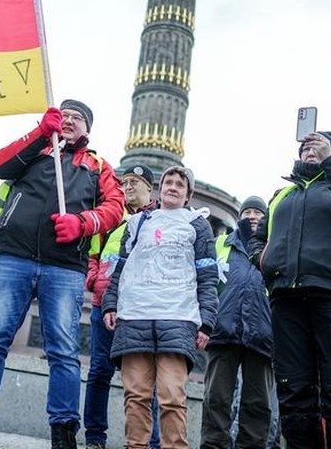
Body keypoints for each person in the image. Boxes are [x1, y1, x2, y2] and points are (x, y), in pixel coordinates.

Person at [0, 100, 125, 449]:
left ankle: (63, 436)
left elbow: (115, 207)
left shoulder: (98, 165)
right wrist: (40, 132)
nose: (69, 120)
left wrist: (82, 223)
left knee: (64, 352)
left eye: (78, 118)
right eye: (64, 114)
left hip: (65, 266)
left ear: (88, 130)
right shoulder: (34, 148)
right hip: (14, 256)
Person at [248, 131, 331, 448]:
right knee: (293, 394)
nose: (311, 150)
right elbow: (258, 237)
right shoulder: (282, 195)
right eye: (306, 147)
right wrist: (261, 259)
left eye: (319, 146)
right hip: (286, 300)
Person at [103, 165, 218, 449]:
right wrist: (110, 304)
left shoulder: (198, 225)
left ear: (188, 194)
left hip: (177, 319)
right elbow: (120, 269)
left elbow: (207, 277)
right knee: (136, 395)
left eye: (181, 184)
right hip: (134, 317)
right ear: (160, 187)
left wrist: (207, 322)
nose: (174, 186)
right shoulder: (139, 222)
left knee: (171, 397)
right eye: (169, 181)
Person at [84, 164, 161, 449]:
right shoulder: (112, 214)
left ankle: (148, 441)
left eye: (134, 182)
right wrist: (93, 277)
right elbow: (92, 252)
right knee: (99, 371)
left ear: (149, 189)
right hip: (102, 303)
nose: (127, 187)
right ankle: (94, 437)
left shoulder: (158, 220)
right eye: (124, 182)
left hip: (138, 307)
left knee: (143, 377)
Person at [201, 195, 273, 449]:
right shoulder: (220, 243)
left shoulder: (275, 250)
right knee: (216, 399)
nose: (252, 216)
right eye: (248, 212)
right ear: (240, 217)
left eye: (258, 213)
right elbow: (206, 283)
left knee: (257, 404)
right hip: (223, 332)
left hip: (263, 336)